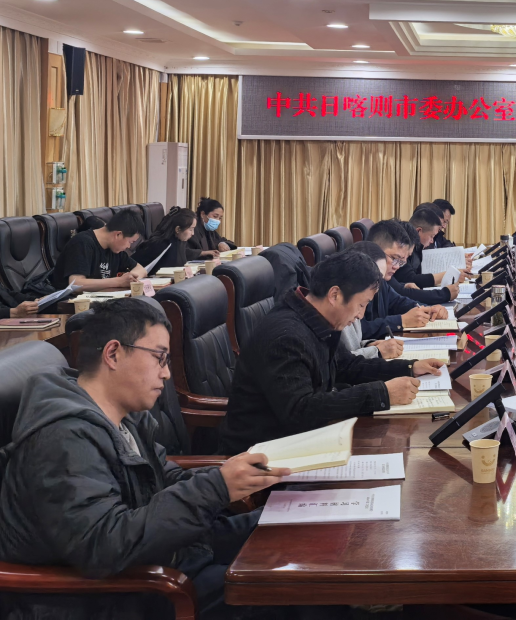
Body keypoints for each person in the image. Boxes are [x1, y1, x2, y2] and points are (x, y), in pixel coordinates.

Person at [0, 298, 287, 619]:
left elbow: (162, 478)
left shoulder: (121, 414)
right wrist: (215, 488)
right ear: (113, 354)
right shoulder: (63, 438)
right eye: (159, 358)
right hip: (123, 595)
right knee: (288, 588)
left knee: (285, 529)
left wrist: (231, 478)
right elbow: (102, 547)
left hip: (166, 554)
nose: (166, 374)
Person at [218, 250, 446, 454]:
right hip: (263, 457)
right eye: (361, 304)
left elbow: (347, 366)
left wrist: (410, 367)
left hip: (304, 440)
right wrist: (381, 394)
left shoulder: (318, 320)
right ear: (335, 295)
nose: (360, 315)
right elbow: (300, 411)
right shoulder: (286, 337)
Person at [358, 221, 449, 338]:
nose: (396, 267)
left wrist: (428, 310)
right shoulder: (357, 278)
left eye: (400, 262)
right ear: (376, 250)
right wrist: (401, 321)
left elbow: (397, 302)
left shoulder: (381, 280)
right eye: (394, 259)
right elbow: (359, 330)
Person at [51, 208, 147, 291]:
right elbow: (76, 284)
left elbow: (141, 270)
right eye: (130, 242)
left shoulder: (115, 249)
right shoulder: (82, 243)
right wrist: (118, 281)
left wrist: (130, 279)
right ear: (118, 234)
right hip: (71, 303)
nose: (129, 246)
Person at [340, 241, 406, 360]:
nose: (360, 315)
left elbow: (355, 345)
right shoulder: (346, 300)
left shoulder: (370, 292)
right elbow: (339, 364)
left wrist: (369, 345)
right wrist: (376, 351)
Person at [393, 204, 453, 288]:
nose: (432, 241)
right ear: (419, 231)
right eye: (431, 236)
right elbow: (410, 279)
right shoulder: (401, 244)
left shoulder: (418, 246)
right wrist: (448, 276)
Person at [132, 207, 202, 275]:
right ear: (178, 229)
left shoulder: (179, 241)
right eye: (190, 229)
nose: (193, 233)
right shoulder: (161, 244)